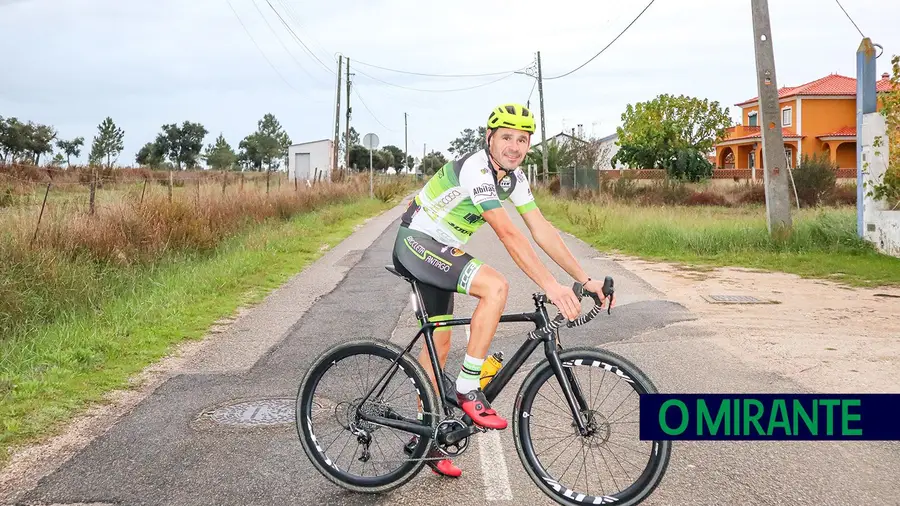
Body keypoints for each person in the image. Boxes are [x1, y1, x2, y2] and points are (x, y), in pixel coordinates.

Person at [391, 103, 614, 477]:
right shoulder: (476, 168)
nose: (514, 146)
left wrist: (584, 278)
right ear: (490, 138)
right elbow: (507, 232)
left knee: (440, 344)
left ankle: (426, 440)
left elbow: (540, 229)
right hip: (417, 242)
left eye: (522, 140)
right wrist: (552, 286)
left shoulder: (514, 179)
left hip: (442, 249)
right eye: (506, 137)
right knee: (495, 287)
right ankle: (467, 387)